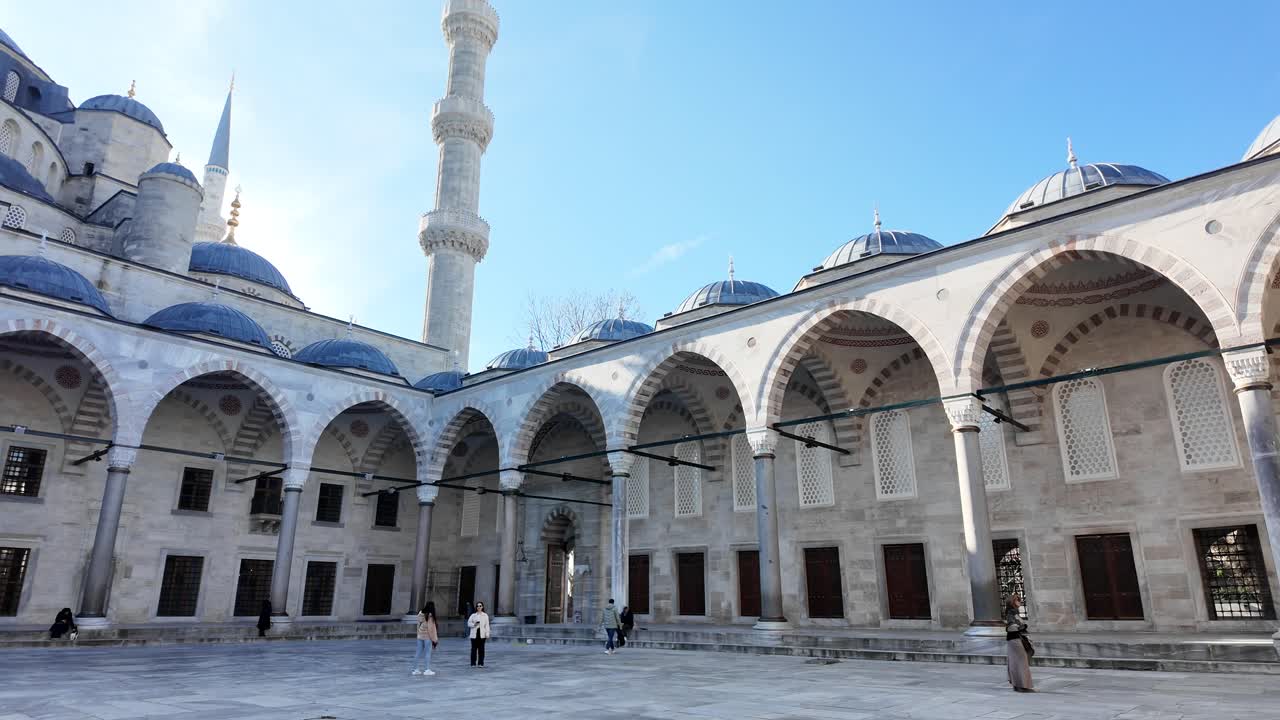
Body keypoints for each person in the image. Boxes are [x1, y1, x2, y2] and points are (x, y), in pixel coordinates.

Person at [1005, 594, 1034, 693]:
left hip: (1015, 639)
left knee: (1016, 662)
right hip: (1015, 639)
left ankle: (1018, 685)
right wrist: (1022, 626)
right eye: (1018, 600)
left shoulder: (1014, 612)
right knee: (1021, 662)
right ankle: (1023, 686)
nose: (1020, 602)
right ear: (1013, 601)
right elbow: (1010, 626)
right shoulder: (1011, 612)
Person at [412, 601, 439, 676]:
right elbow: (431, 629)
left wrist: (418, 634)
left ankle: (415, 669)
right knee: (427, 653)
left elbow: (418, 626)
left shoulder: (420, 614)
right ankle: (427, 669)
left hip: (420, 636)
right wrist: (435, 639)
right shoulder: (430, 616)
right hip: (427, 637)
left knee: (418, 652)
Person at [467, 600, 490, 668]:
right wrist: (474, 624)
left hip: (482, 634)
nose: (479, 607)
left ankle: (481, 663)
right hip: (474, 634)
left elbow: (487, 625)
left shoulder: (485, 615)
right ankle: (473, 663)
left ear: (482, 607)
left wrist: (487, 633)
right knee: (473, 649)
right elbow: (468, 623)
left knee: (481, 650)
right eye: (477, 606)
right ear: (476, 607)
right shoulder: (473, 615)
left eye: (480, 606)